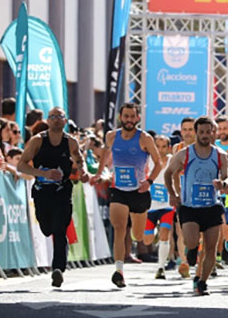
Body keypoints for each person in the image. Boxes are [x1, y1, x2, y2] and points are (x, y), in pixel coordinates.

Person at [94, 103, 164, 288]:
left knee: (137, 234)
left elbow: (158, 163)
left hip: (139, 192)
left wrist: (148, 182)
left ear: (138, 118)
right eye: (126, 116)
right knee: (119, 228)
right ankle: (118, 271)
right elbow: (105, 155)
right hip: (118, 190)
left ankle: (141, 236)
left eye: (133, 116)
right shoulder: (111, 136)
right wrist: (100, 173)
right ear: (120, 117)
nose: (129, 120)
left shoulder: (145, 138)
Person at [15, 107, 86, 288]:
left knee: (60, 228)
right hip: (42, 192)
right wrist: (42, 173)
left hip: (62, 192)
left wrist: (83, 171)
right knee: (47, 228)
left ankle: (58, 269)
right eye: (52, 117)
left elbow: (79, 159)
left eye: (59, 117)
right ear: (48, 120)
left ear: (65, 120)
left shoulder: (70, 142)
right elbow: (21, 166)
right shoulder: (38, 140)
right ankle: (57, 265)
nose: (56, 120)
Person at [163, 116, 228, 295]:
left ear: (214, 133)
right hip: (189, 207)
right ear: (196, 133)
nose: (205, 135)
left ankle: (202, 281)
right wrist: (173, 194)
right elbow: (169, 173)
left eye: (208, 132)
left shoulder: (221, 156)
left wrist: (223, 184)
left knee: (211, 247)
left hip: (211, 206)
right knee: (191, 240)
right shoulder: (185, 154)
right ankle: (191, 249)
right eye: (201, 132)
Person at [144, 135, 176, 279]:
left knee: (165, 235)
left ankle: (161, 267)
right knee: (146, 240)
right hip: (150, 205)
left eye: (164, 147)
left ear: (169, 148)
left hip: (167, 205)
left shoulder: (172, 160)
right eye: (158, 146)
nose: (161, 150)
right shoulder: (148, 161)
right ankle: (153, 232)